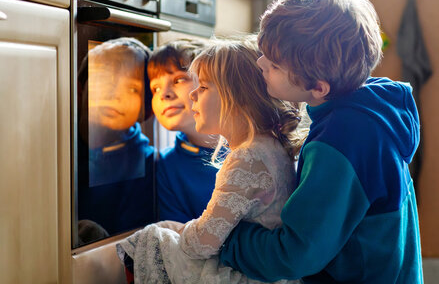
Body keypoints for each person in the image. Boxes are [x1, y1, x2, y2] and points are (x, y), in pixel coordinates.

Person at [219, 0, 424, 283]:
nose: (260, 64)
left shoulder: (342, 142)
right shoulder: (370, 107)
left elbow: (295, 255)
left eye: (274, 64)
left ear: (318, 88)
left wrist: (228, 237)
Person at [116, 38, 304, 284]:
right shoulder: (272, 147)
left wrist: (179, 233)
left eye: (202, 87)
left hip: (247, 275)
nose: (194, 93)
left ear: (237, 98)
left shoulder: (246, 156)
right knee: (166, 228)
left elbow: (202, 244)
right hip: (267, 272)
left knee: (150, 238)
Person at [77, 37, 156, 244]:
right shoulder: (57, 142)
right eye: (103, 80)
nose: (114, 95)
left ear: (145, 109)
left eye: (131, 88)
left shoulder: (146, 162)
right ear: (79, 89)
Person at [147, 39, 221, 223]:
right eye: (155, 88)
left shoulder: (253, 147)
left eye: (179, 79)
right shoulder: (166, 165)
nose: (164, 94)